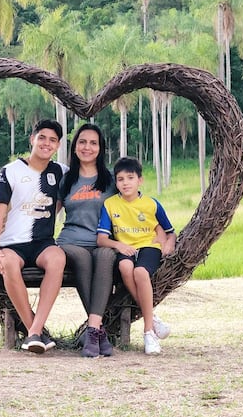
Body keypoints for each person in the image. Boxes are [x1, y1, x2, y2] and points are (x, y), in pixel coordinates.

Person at [0, 119, 68, 354]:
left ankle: (34, 332)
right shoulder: (10, 171)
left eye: (52, 140)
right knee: (9, 264)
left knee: (57, 259)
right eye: (42, 137)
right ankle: (35, 331)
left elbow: (64, 200)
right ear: (32, 139)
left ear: (58, 145)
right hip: (12, 243)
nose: (46, 143)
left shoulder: (61, 172)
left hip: (43, 243)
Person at [96, 156, 176, 355]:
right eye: (120, 179)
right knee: (124, 267)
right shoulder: (110, 205)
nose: (125, 183)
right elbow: (101, 239)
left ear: (140, 180)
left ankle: (148, 331)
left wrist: (169, 244)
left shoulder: (151, 204)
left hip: (148, 247)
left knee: (140, 272)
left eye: (130, 178)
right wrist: (118, 245)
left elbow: (170, 231)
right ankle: (153, 318)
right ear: (116, 182)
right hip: (126, 248)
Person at [57, 123, 118, 358]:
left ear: (101, 148)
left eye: (93, 143)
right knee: (82, 257)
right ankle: (98, 332)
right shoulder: (66, 179)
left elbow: (132, 206)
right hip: (71, 241)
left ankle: (92, 330)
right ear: (74, 147)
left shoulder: (111, 180)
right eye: (82, 142)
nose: (87, 147)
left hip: (103, 241)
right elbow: (50, 212)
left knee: (104, 256)